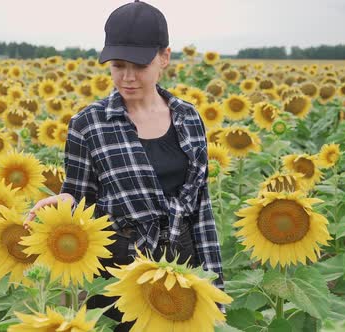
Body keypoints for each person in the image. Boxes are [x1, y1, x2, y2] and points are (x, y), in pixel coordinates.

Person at [24, 1, 224, 330]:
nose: (127, 78)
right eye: (118, 66)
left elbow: (201, 208)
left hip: (182, 264)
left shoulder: (188, 118)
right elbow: (79, 194)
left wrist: (216, 287)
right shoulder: (88, 124)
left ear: (164, 57)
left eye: (139, 65)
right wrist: (63, 204)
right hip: (118, 270)